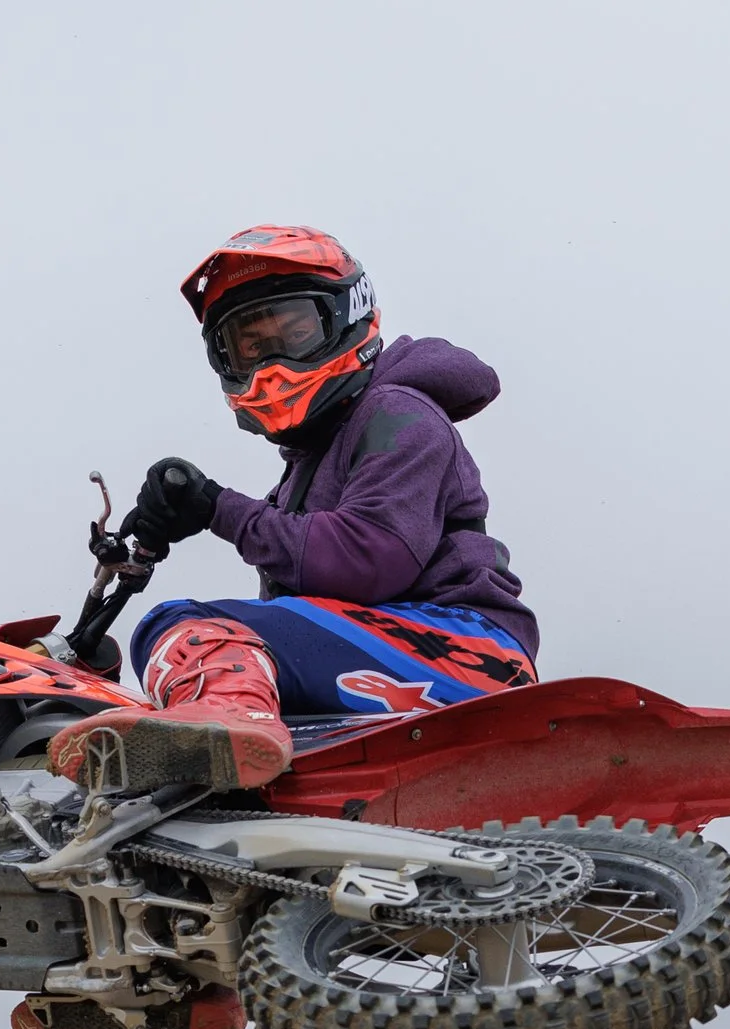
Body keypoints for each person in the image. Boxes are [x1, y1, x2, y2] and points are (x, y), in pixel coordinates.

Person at [47, 226, 540, 792]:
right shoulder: (316, 458)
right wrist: (196, 513)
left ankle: (229, 725)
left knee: (181, 625)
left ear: (347, 317)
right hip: (411, 653)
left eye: (295, 334)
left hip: (467, 651)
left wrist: (218, 509)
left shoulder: (399, 412)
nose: (272, 364)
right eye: (250, 348)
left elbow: (367, 560)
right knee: (177, 641)